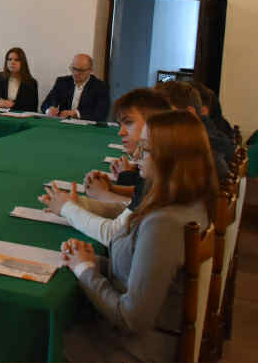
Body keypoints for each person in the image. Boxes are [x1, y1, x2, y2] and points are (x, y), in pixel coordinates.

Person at [59, 110, 217, 362]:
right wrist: (90, 260)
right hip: (147, 335)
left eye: (144, 149)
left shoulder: (163, 222)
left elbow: (131, 317)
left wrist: (85, 270)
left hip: (133, 349)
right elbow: (144, 271)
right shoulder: (188, 202)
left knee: (38, 341)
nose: (135, 156)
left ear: (168, 158)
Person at [40, 89, 171, 247]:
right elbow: (129, 209)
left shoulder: (161, 174)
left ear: (153, 125)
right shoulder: (157, 170)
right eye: (120, 125)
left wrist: (68, 209)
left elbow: (115, 235)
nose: (121, 132)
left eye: (129, 123)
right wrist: (79, 204)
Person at [154, 80, 232, 183]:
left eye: (165, 115)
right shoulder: (208, 140)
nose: (156, 124)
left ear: (189, 114)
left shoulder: (204, 160)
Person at [40, 54, 111, 122]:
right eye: (74, 69)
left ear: (91, 70)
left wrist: (76, 113)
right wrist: (49, 110)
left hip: (86, 127)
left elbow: (101, 113)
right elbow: (45, 104)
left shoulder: (101, 87)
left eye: (81, 70)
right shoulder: (62, 82)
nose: (76, 73)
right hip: (61, 124)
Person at [0, 47, 38, 112]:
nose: (12, 62)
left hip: (18, 117)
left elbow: (33, 108)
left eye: (16, 60)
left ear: (23, 63)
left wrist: (13, 105)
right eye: (9, 59)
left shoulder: (31, 82)